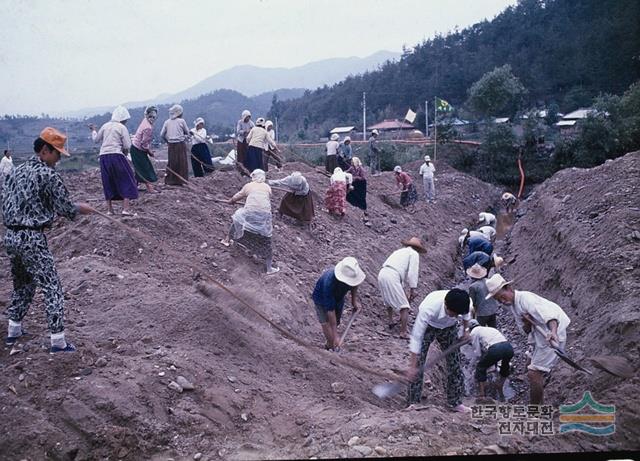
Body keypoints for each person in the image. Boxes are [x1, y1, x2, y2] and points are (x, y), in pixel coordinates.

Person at [2, 127, 93, 352]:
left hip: (11, 236)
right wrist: (79, 209)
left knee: (23, 283)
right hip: (31, 237)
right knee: (51, 285)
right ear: (45, 150)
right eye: (57, 154)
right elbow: (65, 208)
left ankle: (13, 330)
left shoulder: (15, 171)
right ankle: (58, 341)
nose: (59, 159)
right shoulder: (48, 174)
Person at [486, 274, 571, 404]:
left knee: (533, 373)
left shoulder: (527, 299)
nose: (502, 301)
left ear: (509, 288)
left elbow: (550, 316)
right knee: (529, 362)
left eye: (502, 297)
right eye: (498, 300)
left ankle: (536, 410)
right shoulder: (512, 305)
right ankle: (536, 383)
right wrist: (527, 324)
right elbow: (525, 331)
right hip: (538, 334)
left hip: (552, 334)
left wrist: (553, 332)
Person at [406, 288, 473, 412]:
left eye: (457, 314)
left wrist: (466, 331)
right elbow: (416, 337)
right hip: (429, 326)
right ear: (446, 305)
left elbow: (466, 316)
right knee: (418, 366)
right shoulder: (429, 308)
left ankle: (455, 402)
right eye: (452, 313)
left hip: (449, 328)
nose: (455, 316)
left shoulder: (465, 302)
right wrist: (412, 366)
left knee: (455, 364)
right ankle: (413, 402)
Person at [221, 169, 279, 275]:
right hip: (265, 216)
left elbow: (238, 196)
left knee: (237, 217)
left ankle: (227, 240)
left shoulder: (248, 186)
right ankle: (269, 268)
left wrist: (231, 201)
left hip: (250, 212)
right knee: (267, 238)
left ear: (253, 177)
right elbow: (265, 198)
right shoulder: (267, 187)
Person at [90, 105, 138, 215]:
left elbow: (96, 140)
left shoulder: (105, 126)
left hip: (103, 157)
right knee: (127, 179)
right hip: (116, 155)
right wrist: (125, 154)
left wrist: (93, 131)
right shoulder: (122, 128)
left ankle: (109, 210)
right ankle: (125, 209)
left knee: (108, 181)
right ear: (122, 119)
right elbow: (127, 145)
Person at [312, 257, 365, 351]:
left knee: (336, 322)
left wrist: (354, 302)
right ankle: (331, 347)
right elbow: (330, 311)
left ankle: (330, 344)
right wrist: (336, 336)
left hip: (338, 297)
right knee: (326, 323)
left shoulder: (352, 276)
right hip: (321, 298)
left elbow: (355, 285)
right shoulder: (329, 282)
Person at [377, 237, 427, 339]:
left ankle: (391, 321)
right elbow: (412, 273)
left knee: (388, 299)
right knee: (405, 306)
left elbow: (400, 276)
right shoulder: (414, 254)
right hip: (392, 275)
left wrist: (405, 291)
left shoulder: (399, 251)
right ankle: (403, 332)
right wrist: (413, 290)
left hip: (382, 273)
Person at [468, 319, 514, 400]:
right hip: (508, 347)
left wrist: (479, 360)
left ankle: (482, 394)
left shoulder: (474, 332)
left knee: (480, 367)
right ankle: (500, 385)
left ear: (470, 328)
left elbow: (477, 351)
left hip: (496, 349)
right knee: (505, 366)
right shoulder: (489, 329)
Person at [130, 106, 159, 193]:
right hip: (138, 150)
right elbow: (144, 143)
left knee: (139, 168)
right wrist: (149, 152)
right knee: (145, 168)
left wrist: (147, 150)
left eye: (154, 117)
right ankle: (150, 188)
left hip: (136, 148)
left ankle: (134, 187)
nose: (152, 118)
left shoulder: (145, 121)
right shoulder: (148, 127)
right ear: (147, 115)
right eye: (150, 116)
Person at [160, 104, 190, 186]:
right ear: (179, 113)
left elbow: (162, 134)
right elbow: (187, 132)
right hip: (180, 144)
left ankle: (170, 181)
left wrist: (167, 141)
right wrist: (185, 136)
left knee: (172, 162)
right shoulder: (181, 121)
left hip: (171, 145)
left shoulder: (167, 122)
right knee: (182, 162)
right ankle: (182, 181)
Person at [346, 157, 368, 223]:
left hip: (361, 184)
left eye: (353, 162)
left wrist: (355, 177)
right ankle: (354, 204)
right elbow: (347, 171)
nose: (351, 163)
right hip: (355, 183)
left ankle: (363, 209)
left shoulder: (361, 169)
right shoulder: (352, 168)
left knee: (361, 196)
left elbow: (363, 177)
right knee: (352, 193)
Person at [235, 110, 254, 174]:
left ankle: (247, 168)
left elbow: (254, 130)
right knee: (240, 154)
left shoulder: (251, 123)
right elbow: (238, 131)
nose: (247, 118)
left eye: (249, 117)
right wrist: (244, 132)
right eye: (246, 117)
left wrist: (250, 132)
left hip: (247, 141)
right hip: (241, 140)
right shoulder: (240, 122)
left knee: (247, 154)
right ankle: (240, 169)